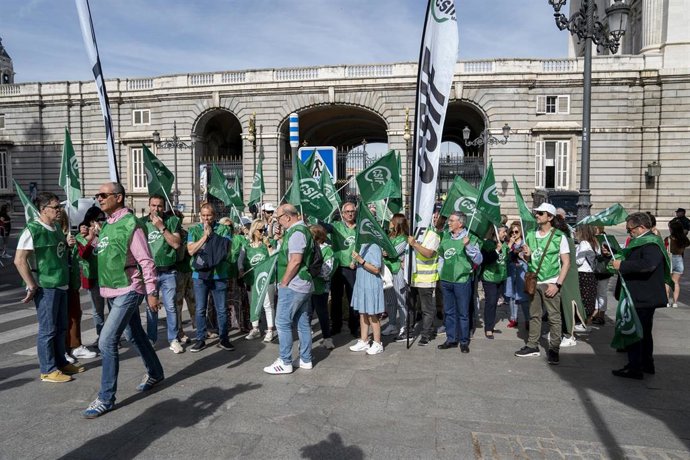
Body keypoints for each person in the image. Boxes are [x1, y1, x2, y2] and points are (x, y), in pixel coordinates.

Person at [82, 182, 164, 418]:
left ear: (118, 197)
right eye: (97, 195)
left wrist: (152, 292)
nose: (99, 198)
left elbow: (146, 261)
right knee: (134, 334)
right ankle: (156, 372)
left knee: (107, 340)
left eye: (103, 195)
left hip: (129, 289)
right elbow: (107, 252)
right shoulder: (107, 224)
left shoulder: (131, 224)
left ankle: (106, 397)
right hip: (110, 290)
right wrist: (93, 240)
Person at [14, 192, 84, 383]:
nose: (59, 210)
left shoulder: (55, 228)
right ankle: (47, 369)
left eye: (59, 207)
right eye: (55, 207)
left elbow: (58, 253)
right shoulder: (33, 230)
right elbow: (19, 260)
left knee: (62, 327)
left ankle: (61, 362)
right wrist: (31, 284)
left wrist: (68, 244)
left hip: (61, 283)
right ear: (43, 209)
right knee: (48, 329)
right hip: (46, 285)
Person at [611, 212, 670, 379]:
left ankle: (635, 367)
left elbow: (648, 265)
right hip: (641, 294)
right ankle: (645, 364)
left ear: (642, 227)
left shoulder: (650, 243)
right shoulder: (645, 241)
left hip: (643, 294)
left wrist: (622, 265)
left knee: (636, 330)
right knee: (644, 331)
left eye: (630, 229)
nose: (629, 232)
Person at [514, 203, 570, 365]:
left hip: (551, 281)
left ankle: (554, 349)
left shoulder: (559, 236)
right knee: (534, 315)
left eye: (540, 213)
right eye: (536, 213)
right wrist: (527, 255)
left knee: (554, 317)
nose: (537, 215)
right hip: (534, 281)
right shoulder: (530, 235)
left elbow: (566, 263)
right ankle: (532, 345)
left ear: (550, 217)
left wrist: (558, 284)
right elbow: (529, 260)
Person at [263, 204, 314, 374]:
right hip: (303, 284)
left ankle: (285, 361)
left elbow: (295, 260)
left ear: (287, 216)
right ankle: (305, 359)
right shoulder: (300, 230)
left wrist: (284, 282)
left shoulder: (297, 232)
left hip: (294, 284)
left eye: (278, 218)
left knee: (282, 323)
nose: (277, 221)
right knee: (302, 322)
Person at [187, 203, 234, 353]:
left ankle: (224, 338)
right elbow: (190, 250)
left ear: (214, 215)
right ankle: (200, 339)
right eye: (204, 215)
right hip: (200, 275)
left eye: (209, 215)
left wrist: (212, 236)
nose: (206, 218)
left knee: (221, 309)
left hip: (219, 274)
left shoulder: (224, 229)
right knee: (200, 309)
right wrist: (205, 237)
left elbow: (225, 250)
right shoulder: (194, 230)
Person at [141, 195, 183, 353]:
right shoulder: (142, 223)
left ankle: (173, 339)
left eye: (159, 206)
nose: (156, 209)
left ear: (164, 207)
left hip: (168, 271)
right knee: (151, 307)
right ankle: (151, 339)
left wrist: (161, 227)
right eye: (153, 205)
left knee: (171, 306)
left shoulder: (172, 221)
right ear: (149, 205)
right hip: (150, 273)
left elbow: (176, 244)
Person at [436, 212, 482, 353]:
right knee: (449, 312)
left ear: (460, 223)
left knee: (463, 313)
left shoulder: (471, 238)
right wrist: (440, 271)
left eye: (451, 221)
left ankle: (464, 341)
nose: (448, 223)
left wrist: (468, 246)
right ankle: (451, 339)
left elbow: (479, 259)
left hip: (462, 281)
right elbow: (442, 257)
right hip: (446, 280)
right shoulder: (445, 238)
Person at [61, 216, 97, 362]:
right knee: (61, 318)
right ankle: (62, 350)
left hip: (72, 282)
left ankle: (75, 346)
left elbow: (81, 253)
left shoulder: (73, 237)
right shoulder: (53, 236)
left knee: (75, 314)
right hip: (59, 281)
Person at [408, 210, 445, 345]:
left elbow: (429, 253)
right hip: (412, 277)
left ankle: (426, 334)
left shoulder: (433, 235)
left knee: (426, 309)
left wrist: (415, 244)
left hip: (425, 279)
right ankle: (410, 331)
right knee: (411, 307)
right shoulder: (413, 233)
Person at [325, 202, 359, 336]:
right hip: (338, 268)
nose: (350, 213)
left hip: (353, 268)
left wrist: (356, 260)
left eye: (352, 211)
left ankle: (354, 326)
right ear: (342, 214)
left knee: (353, 299)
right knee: (336, 298)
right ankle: (336, 325)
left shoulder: (359, 228)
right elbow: (322, 227)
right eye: (347, 211)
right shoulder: (336, 226)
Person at [240, 219, 277, 342]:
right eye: (261, 230)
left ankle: (270, 329)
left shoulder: (269, 243)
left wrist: (268, 245)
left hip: (266, 280)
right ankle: (255, 329)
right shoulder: (246, 246)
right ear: (254, 231)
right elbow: (240, 261)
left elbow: (274, 258)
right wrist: (240, 269)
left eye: (265, 229)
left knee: (268, 304)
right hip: (252, 279)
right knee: (254, 304)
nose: (263, 232)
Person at [76, 207, 107, 344]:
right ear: (90, 221)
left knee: (113, 309)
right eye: (98, 219)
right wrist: (93, 238)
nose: (101, 222)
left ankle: (113, 337)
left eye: (103, 219)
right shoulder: (81, 236)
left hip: (107, 276)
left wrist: (103, 234)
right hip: (92, 277)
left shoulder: (106, 233)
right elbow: (84, 254)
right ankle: (101, 336)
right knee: (97, 310)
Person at [348, 242, 385, 355]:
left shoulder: (374, 246)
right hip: (361, 283)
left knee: (372, 314)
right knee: (362, 312)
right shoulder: (362, 245)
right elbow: (359, 263)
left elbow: (376, 269)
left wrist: (361, 260)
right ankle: (364, 340)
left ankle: (378, 343)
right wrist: (354, 263)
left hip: (371, 284)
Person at [381, 214, 410, 338]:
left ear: (396, 222)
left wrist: (386, 252)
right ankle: (392, 325)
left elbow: (392, 253)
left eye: (391, 220)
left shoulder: (404, 238)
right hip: (387, 271)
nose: (389, 222)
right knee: (390, 301)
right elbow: (383, 251)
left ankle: (404, 326)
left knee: (401, 301)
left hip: (398, 271)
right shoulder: (390, 235)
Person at [309, 224, 335, 350]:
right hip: (308, 286)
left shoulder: (327, 250)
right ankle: (306, 337)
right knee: (307, 313)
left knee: (322, 313)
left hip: (321, 287)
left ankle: (327, 338)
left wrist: (311, 272)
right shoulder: (309, 248)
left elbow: (326, 272)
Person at [480, 226, 509, 339]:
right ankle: (488, 328)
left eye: (506, 232)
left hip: (501, 278)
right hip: (489, 278)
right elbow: (485, 260)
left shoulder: (505, 244)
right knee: (490, 302)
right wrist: (496, 250)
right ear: (496, 232)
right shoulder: (487, 244)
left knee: (495, 303)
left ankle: (491, 325)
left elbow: (506, 259)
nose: (505, 234)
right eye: (503, 232)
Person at [173, 210, 195, 343]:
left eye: (180, 219)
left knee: (193, 301)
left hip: (189, 270)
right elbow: (179, 256)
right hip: (178, 272)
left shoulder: (186, 233)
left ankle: (199, 327)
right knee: (178, 304)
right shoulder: (171, 235)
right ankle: (179, 331)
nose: (179, 222)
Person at [505, 221, 529, 329]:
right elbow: (503, 256)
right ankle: (513, 318)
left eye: (516, 232)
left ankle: (527, 319)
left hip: (522, 271)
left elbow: (529, 259)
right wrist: (510, 244)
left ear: (520, 232)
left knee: (523, 296)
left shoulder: (525, 243)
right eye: (512, 232)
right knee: (511, 296)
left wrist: (522, 255)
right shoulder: (510, 244)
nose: (513, 234)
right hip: (511, 270)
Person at [575, 224, 599, 322]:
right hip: (590, 273)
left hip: (582, 274)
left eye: (577, 231)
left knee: (582, 299)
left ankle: (581, 322)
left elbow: (578, 261)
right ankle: (587, 320)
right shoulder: (594, 242)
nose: (575, 233)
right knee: (589, 298)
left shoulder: (584, 243)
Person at [665, 218, 690, 308]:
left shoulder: (668, 239)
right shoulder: (684, 239)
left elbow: (665, 249)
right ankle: (675, 302)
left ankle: (667, 301)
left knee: (667, 281)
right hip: (679, 259)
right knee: (676, 282)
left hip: (671, 259)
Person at [592, 226, 613, 325]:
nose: (594, 229)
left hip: (603, 271)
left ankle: (601, 314)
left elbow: (611, 252)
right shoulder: (592, 239)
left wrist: (606, 252)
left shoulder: (605, 238)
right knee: (596, 293)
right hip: (595, 270)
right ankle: (596, 313)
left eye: (596, 228)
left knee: (602, 293)